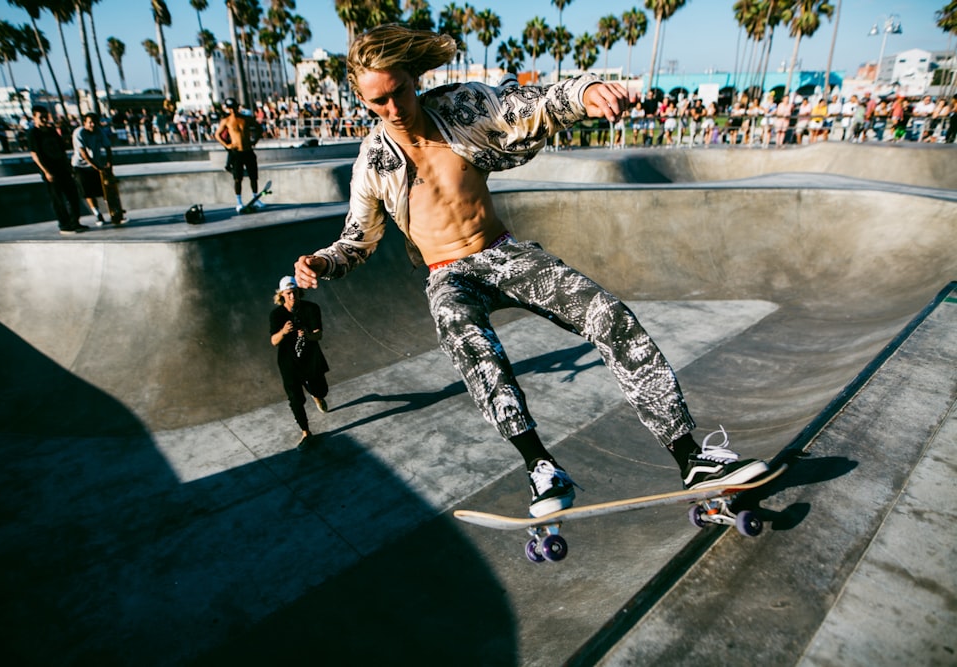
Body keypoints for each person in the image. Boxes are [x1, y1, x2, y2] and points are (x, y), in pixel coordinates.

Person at [292, 25, 768, 518]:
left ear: (414, 78)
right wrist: (322, 262)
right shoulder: (371, 164)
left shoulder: (459, 107)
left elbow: (532, 104)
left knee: (609, 316)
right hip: (447, 274)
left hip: (503, 253)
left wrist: (585, 92)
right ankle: (541, 466)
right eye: (378, 102)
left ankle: (691, 457)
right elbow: (357, 239)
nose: (393, 109)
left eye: (400, 92)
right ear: (361, 98)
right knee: (470, 344)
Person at [270, 276, 330, 444]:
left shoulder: (311, 309)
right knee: (295, 400)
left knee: (321, 390)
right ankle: (306, 432)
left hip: (310, 359)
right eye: (288, 294)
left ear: (299, 291)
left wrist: (308, 334)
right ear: (282, 295)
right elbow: (274, 341)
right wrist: (283, 331)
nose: (292, 297)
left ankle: (317, 396)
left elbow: (319, 334)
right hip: (289, 364)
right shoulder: (277, 315)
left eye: (295, 292)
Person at [27, 105, 87, 235]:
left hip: (62, 168)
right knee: (58, 199)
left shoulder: (51, 131)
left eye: (45, 117)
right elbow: (35, 155)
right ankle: (64, 225)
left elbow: (62, 150)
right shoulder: (33, 133)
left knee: (72, 195)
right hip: (50, 171)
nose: (44, 120)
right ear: (34, 118)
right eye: (40, 117)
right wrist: (46, 171)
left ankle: (75, 222)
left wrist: (68, 166)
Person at [214, 97, 264, 213]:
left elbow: (259, 128)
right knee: (237, 178)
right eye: (230, 109)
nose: (232, 111)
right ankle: (239, 202)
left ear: (237, 107)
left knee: (253, 177)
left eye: (234, 108)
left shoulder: (246, 119)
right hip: (236, 152)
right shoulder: (226, 121)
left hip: (248, 150)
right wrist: (227, 145)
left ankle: (255, 198)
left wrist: (254, 141)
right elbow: (217, 134)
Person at [71, 112, 118, 225]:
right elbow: (84, 153)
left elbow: (108, 147)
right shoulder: (79, 133)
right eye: (90, 123)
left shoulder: (99, 132)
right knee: (88, 191)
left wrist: (109, 163)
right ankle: (98, 215)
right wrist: (98, 168)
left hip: (96, 164)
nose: (92, 125)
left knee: (104, 189)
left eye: (94, 123)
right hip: (80, 166)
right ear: (84, 123)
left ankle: (114, 212)